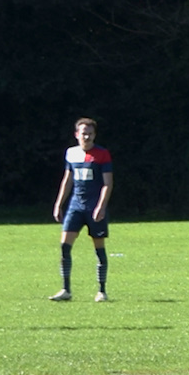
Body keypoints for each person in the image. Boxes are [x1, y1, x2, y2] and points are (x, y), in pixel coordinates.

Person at [49, 118, 113, 302]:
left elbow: (108, 183)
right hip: (76, 206)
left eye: (90, 133)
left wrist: (101, 206)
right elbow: (67, 180)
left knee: (99, 248)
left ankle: (102, 291)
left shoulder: (102, 154)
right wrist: (59, 204)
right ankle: (65, 289)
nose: (87, 136)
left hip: (94, 207)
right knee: (64, 246)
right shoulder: (71, 154)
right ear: (77, 135)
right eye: (83, 133)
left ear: (94, 135)